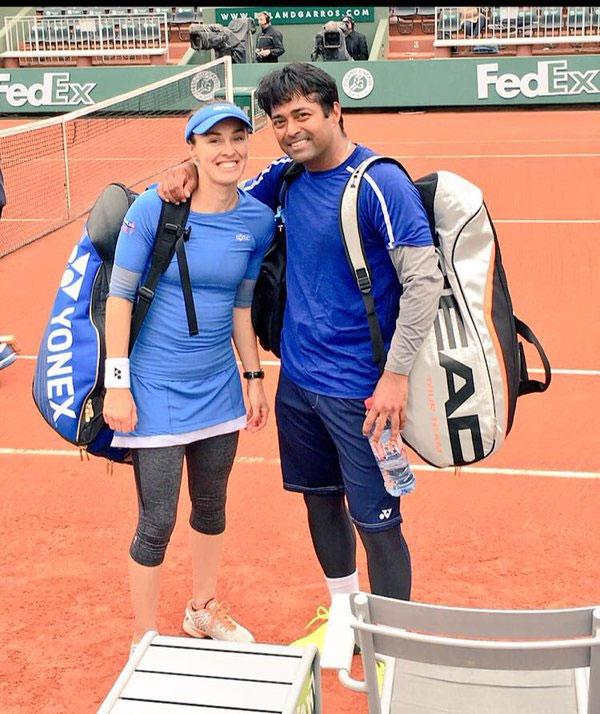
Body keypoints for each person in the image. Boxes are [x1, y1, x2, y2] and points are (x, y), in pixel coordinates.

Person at [158, 63, 443, 646]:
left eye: (303, 115)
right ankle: (342, 617)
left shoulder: (379, 183)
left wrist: (394, 376)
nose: (290, 130)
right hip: (299, 380)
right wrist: (187, 169)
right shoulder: (285, 179)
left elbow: (424, 282)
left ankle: (390, 643)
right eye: (280, 120)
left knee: (378, 522)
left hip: (362, 389)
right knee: (319, 503)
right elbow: (224, 189)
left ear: (336, 112)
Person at [103, 101, 276, 653]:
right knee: (156, 521)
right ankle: (143, 635)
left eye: (237, 138)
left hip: (219, 387)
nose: (228, 150)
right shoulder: (156, 208)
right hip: (152, 388)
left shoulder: (255, 220)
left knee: (211, 505)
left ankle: (201, 608)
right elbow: (120, 296)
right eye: (213, 140)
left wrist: (253, 377)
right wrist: (118, 382)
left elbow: (242, 307)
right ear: (193, 151)